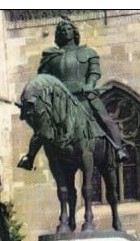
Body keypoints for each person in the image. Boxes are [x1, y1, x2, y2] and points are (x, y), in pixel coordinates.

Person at [17, 16, 130, 171]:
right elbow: (42, 79)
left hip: (84, 95)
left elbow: (94, 72)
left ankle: (119, 148)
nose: (65, 31)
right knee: (42, 127)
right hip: (60, 100)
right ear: (58, 35)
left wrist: (90, 85)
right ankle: (29, 157)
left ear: (74, 32)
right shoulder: (51, 56)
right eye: (61, 30)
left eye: (68, 28)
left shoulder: (88, 52)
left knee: (104, 118)